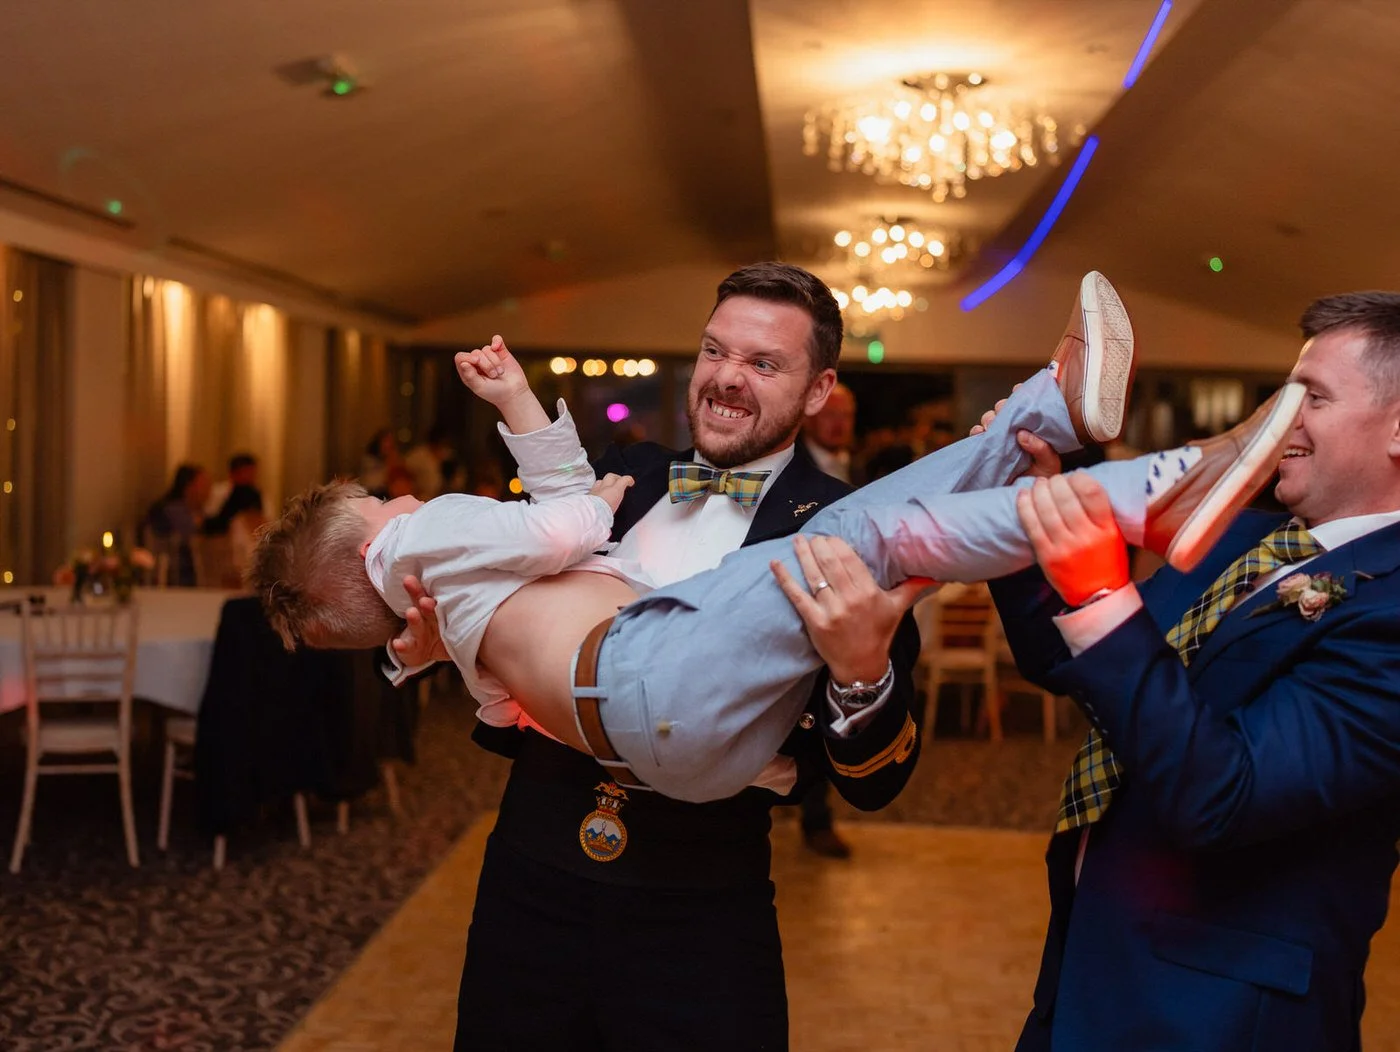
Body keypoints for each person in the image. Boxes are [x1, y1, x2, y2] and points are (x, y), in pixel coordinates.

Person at [988, 290, 1400, 1051]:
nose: (1282, 420)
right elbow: (1079, 665)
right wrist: (1028, 520)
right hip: (1096, 964)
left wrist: (1104, 595)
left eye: (1312, 398)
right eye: (1283, 395)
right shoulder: (1240, 536)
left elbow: (1226, 798)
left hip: (1221, 1015)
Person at [799, 381, 859, 856]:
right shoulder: (790, 468)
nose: (839, 424)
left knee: (827, 713)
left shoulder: (865, 470)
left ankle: (816, 817)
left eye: (846, 416)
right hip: (797, 602)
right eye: (831, 414)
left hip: (844, 607)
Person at [142, 463, 211, 586]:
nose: (208, 490)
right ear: (189, 486)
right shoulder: (173, 509)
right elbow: (192, 539)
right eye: (202, 484)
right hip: (173, 572)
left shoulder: (189, 509)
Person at [202, 452, 264, 534]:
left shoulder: (257, 495)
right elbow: (208, 520)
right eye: (245, 473)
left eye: (252, 473)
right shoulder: (217, 493)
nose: (249, 477)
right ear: (232, 473)